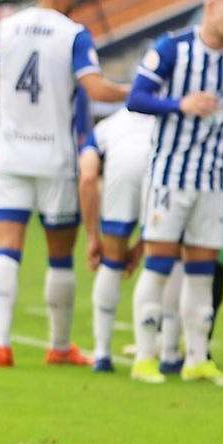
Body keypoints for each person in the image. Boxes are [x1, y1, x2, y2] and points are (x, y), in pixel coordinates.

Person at [0, 0, 128, 368]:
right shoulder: (73, 34)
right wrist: (135, 89)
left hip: (10, 152)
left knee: (7, 250)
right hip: (54, 156)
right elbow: (96, 90)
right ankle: (58, 345)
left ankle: (0, 343)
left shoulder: (7, 27)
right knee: (59, 256)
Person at [125, 0, 223, 384]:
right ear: (211, 4)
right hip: (170, 176)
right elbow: (136, 98)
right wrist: (179, 103)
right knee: (158, 266)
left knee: (203, 271)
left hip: (212, 180)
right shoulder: (172, 48)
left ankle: (197, 359)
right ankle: (146, 357)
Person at [78, 108, 158, 372]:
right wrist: (143, 246)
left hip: (120, 168)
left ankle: (101, 352)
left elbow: (88, 176)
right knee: (163, 262)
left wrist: (92, 237)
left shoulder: (108, 125)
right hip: (157, 166)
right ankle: (166, 351)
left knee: (111, 262)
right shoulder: (165, 119)